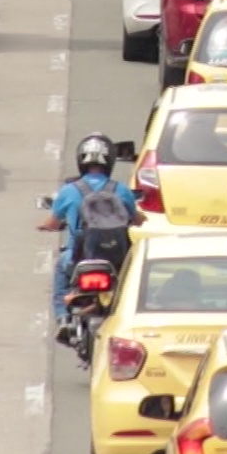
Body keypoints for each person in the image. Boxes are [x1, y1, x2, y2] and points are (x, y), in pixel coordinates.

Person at [40, 134, 145, 337]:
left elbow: (52, 223)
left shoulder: (69, 191)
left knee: (61, 269)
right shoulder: (121, 190)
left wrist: (44, 226)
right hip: (116, 261)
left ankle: (63, 317)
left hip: (78, 259)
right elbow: (136, 219)